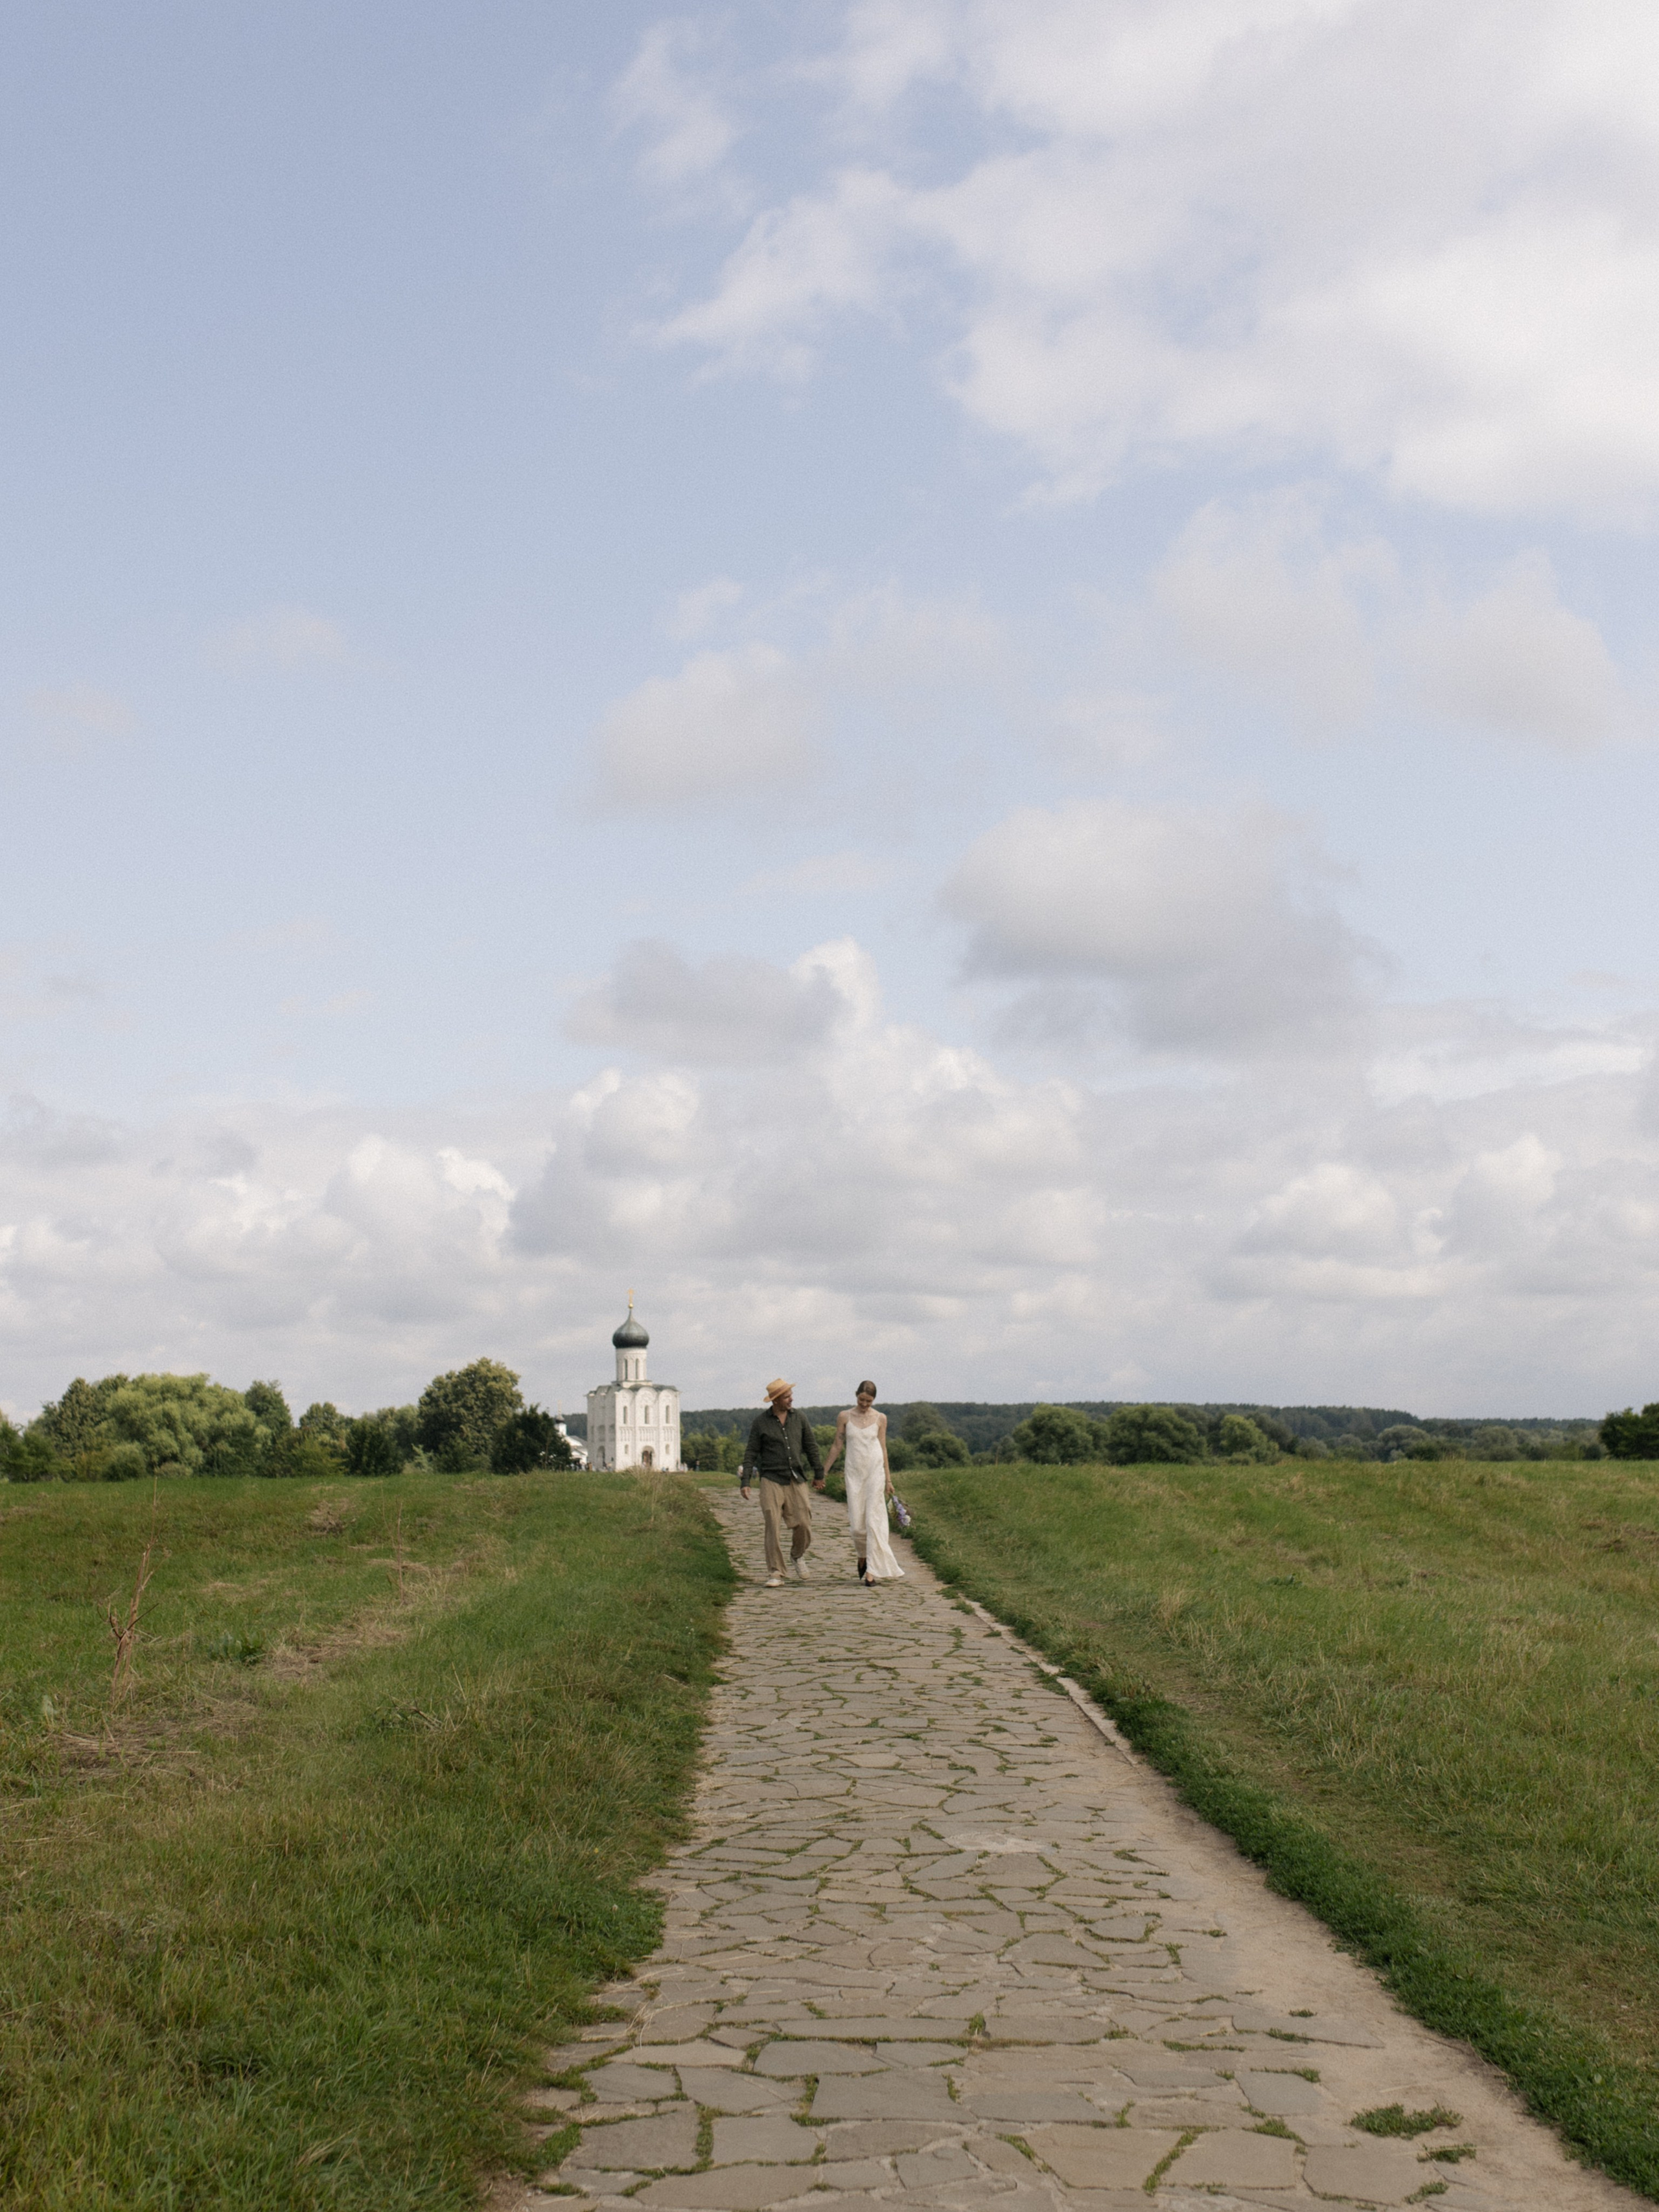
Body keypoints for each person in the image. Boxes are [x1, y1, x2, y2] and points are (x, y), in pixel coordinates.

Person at [739, 1379, 824, 1587]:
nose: (791, 1399)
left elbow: (811, 1446)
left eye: (790, 1395)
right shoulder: (761, 1423)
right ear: (776, 1400)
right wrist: (746, 1480)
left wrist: (819, 1473)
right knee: (772, 1525)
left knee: (804, 1523)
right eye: (787, 1396)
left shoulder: (800, 1418)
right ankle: (776, 1572)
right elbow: (751, 1452)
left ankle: (797, 1555)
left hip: (796, 1478)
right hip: (771, 1480)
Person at [821, 1380, 906, 1587]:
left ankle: (872, 1572)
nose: (865, 1404)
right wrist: (822, 1472)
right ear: (856, 1395)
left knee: (874, 1521)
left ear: (874, 1400)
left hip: (874, 1473)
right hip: (854, 1474)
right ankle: (863, 1556)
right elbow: (837, 1445)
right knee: (858, 1524)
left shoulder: (880, 1418)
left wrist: (888, 1479)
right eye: (862, 1400)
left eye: (869, 1401)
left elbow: (883, 1448)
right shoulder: (845, 1416)